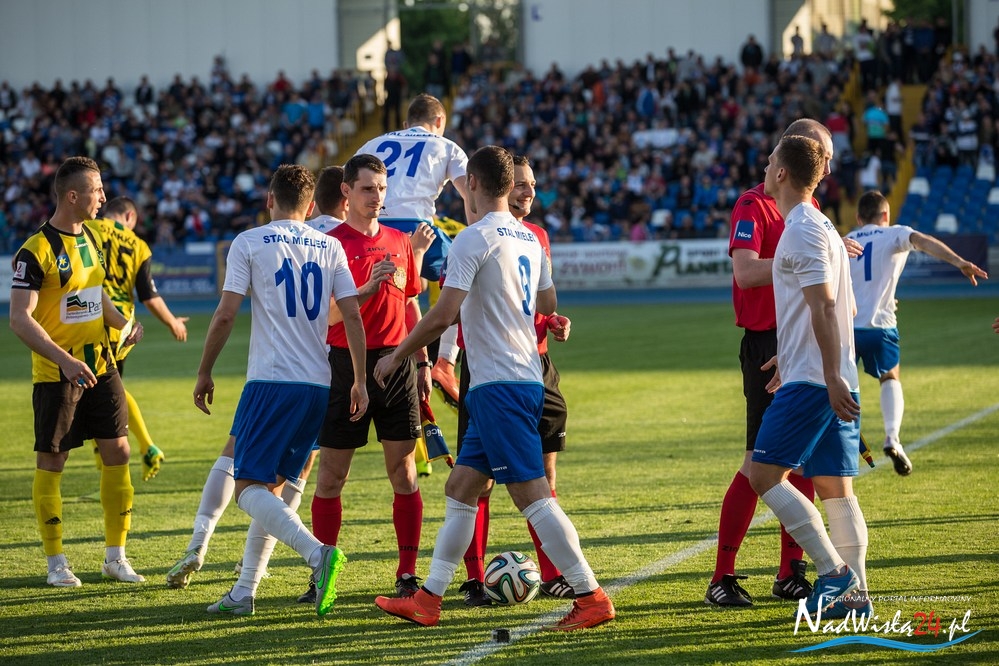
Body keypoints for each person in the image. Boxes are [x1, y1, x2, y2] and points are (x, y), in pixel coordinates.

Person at [371, 145, 615, 631]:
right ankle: (428, 599)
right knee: (461, 487)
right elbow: (547, 302)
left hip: (499, 383)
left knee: (532, 494)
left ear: (475, 185)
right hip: (518, 376)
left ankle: (590, 595)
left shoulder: (473, 238)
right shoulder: (529, 238)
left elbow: (444, 314)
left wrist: (397, 355)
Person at [165, 165, 349, 597]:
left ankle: (311, 554)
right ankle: (245, 588)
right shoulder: (333, 244)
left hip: (272, 380)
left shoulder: (249, 241)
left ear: (269, 199)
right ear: (311, 205)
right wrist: (357, 377)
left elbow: (226, 314)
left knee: (245, 478)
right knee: (276, 484)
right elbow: (346, 315)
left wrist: (204, 370)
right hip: (320, 381)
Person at [708, 118, 859, 608]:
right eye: (823, 156)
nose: (827, 168)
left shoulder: (808, 222)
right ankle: (726, 574)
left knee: (787, 470)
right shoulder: (767, 209)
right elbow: (747, 273)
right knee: (780, 468)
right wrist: (806, 261)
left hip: (810, 357)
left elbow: (829, 306)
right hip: (780, 349)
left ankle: (811, 573)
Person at [749, 134, 871, 620]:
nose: (765, 167)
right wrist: (794, 354)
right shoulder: (822, 226)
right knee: (836, 489)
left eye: (770, 162)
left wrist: (827, 374)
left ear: (782, 173)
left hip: (816, 380)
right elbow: (842, 309)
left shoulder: (801, 228)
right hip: (825, 373)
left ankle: (834, 574)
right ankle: (856, 594)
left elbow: (824, 306)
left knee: (763, 475)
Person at [9, 156, 145, 587]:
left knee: (119, 452)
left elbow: (94, 294)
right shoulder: (35, 251)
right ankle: (56, 563)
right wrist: (65, 361)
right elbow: (19, 319)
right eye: (97, 190)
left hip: (102, 365)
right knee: (53, 460)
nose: (103, 197)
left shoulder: (92, 237)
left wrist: (123, 324)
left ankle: (115, 557)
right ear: (72, 196)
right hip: (58, 373)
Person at [455, 155, 575, 606]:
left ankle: (560, 576)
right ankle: (472, 577)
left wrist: (554, 322)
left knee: (541, 476)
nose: (528, 192)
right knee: (475, 483)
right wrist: (441, 358)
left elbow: (540, 304)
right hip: (490, 370)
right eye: (521, 184)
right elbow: (453, 310)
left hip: (535, 367)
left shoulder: (535, 236)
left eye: (533, 185)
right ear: (505, 187)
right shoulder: (480, 235)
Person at [312, 153, 431, 599]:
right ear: (346, 191)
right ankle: (322, 571)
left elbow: (411, 303)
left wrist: (421, 361)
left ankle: (407, 573)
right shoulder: (329, 245)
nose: (376, 197)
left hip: (397, 365)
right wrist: (364, 290)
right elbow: (325, 318)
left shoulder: (400, 241)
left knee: (404, 472)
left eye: (381, 189)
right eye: (367, 189)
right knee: (331, 477)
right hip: (345, 366)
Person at [845, 190, 987, 475]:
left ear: (859, 218)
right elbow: (923, 241)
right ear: (886, 215)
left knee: (843, 389)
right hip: (881, 326)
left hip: (846, 328)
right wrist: (959, 262)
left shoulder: (845, 240)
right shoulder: (894, 233)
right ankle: (892, 437)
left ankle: (844, 447)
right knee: (890, 376)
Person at [354, 95, 468, 432]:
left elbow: (345, 188)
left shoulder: (372, 143)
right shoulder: (445, 145)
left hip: (374, 232)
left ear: (405, 124)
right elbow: (472, 196)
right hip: (417, 228)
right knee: (467, 278)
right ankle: (445, 361)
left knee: (397, 298)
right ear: (439, 122)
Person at [87, 196, 189, 481]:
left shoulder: (88, 228)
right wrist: (172, 322)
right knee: (101, 389)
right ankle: (114, 459)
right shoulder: (139, 245)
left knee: (102, 389)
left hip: (92, 313)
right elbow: (149, 296)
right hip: (122, 323)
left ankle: (143, 447)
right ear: (130, 217)